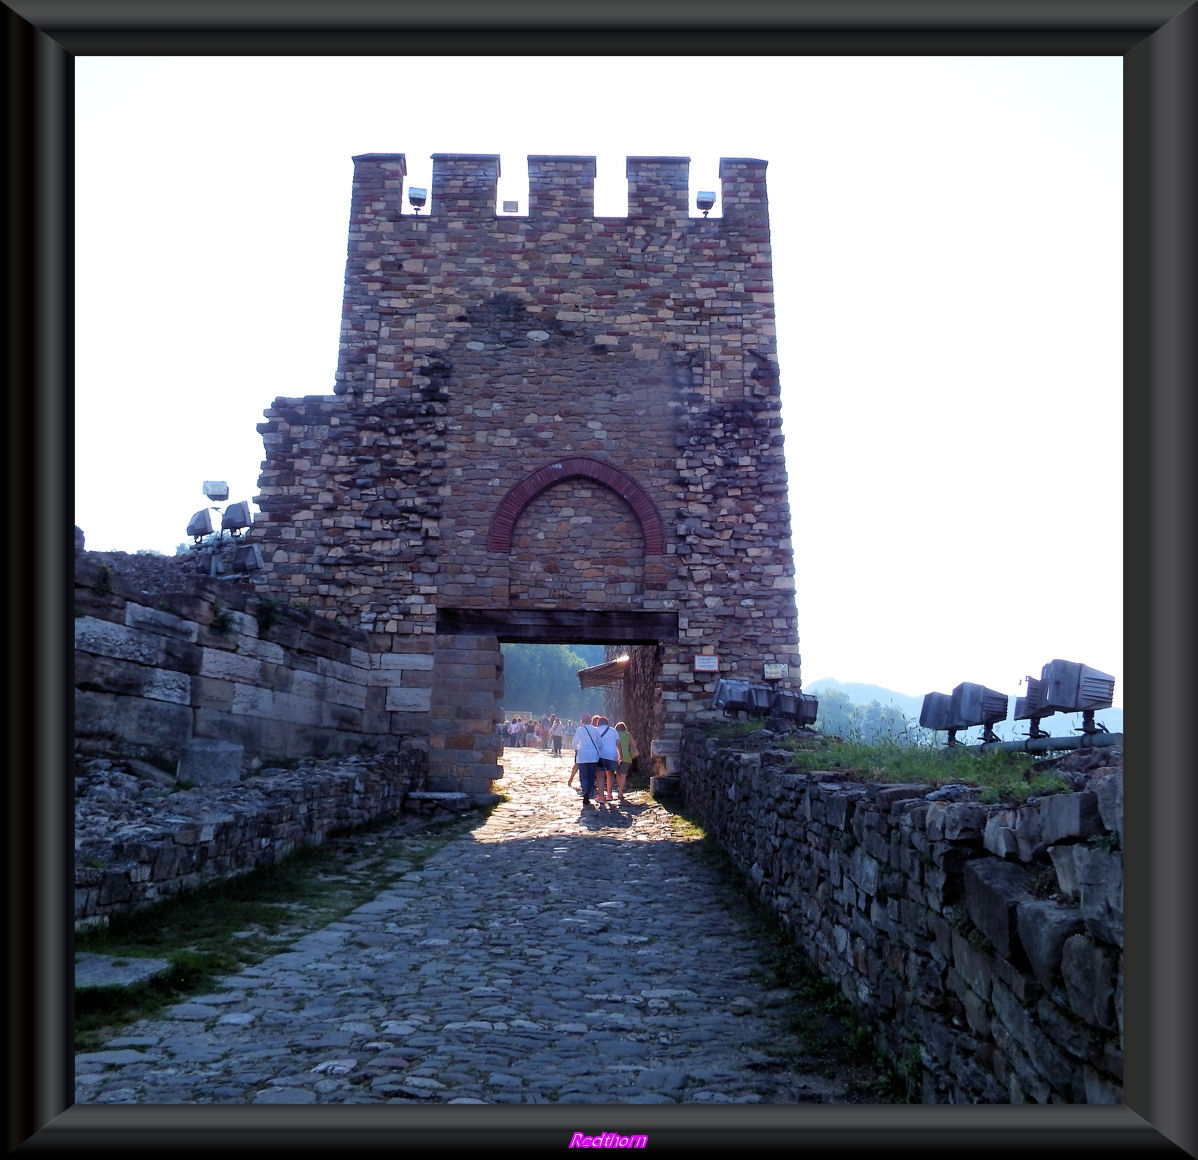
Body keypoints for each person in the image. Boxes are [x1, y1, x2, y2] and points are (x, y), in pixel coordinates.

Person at [572, 714, 609, 806]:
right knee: (591, 776)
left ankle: (585, 791)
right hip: (593, 757)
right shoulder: (595, 730)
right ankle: (588, 793)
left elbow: (574, 744)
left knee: (583, 775)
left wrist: (579, 749)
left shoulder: (579, 730)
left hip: (582, 757)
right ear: (590, 721)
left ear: (582, 721)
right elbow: (600, 744)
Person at [591, 714, 620, 803]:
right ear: (607, 723)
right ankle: (609, 794)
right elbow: (618, 744)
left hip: (600, 756)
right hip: (612, 755)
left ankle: (601, 796)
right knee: (610, 774)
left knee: (600, 775)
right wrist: (620, 756)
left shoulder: (595, 731)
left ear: (598, 723)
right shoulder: (613, 731)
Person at [613, 720, 638, 803]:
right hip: (626, 756)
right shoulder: (628, 735)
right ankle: (621, 791)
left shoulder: (614, 735)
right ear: (624, 728)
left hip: (616, 756)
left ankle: (619, 788)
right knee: (624, 775)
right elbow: (634, 745)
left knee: (618, 774)